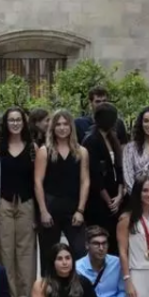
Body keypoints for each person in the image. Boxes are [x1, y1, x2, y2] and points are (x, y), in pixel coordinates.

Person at [0, 107, 37, 297]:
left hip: (26, 203)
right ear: (6, 123)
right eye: (11, 120)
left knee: (26, 251)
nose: (15, 123)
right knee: (4, 250)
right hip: (3, 202)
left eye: (19, 120)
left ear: (24, 123)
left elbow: (37, 180)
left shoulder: (32, 147)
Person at [35, 109, 91, 261]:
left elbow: (85, 181)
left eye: (65, 124)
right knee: (49, 257)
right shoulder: (44, 151)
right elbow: (38, 182)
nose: (62, 127)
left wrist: (80, 210)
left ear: (71, 126)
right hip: (50, 209)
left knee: (81, 254)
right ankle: (49, 285)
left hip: (74, 209)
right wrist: (43, 211)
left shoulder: (81, 152)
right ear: (52, 127)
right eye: (58, 124)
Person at [81, 103, 124, 251]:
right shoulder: (91, 140)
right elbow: (94, 175)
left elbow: (119, 168)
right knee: (100, 241)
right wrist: (109, 201)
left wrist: (119, 195)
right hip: (98, 202)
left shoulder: (113, 138)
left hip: (115, 197)